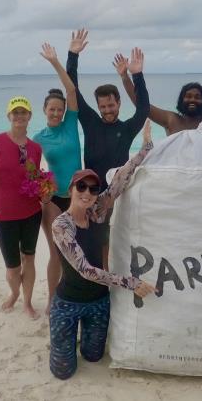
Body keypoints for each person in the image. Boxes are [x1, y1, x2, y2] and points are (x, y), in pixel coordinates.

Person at [49, 121, 156, 380]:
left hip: (97, 302)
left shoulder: (96, 213)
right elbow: (86, 270)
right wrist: (130, 282)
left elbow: (120, 179)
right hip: (68, 303)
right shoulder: (61, 225)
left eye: (93, 188)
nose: (87, 192)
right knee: (63, 372)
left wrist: (146, 148)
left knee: (94, 356)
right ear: (71, 190)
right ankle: (63, 341)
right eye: (81, 187)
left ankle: (77, 340)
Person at [66, 29, 150, 268]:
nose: (107, 110)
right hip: (88, 194)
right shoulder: (91, 122)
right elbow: (73, 90)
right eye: (102, 106)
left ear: (118, 102)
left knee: (113, 244)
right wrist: (73, 56)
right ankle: (98, 282)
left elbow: (143, 109)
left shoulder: (126, 129)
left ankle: (111, 282)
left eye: (110, 105)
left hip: (117, 196)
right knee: (88, 243)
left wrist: (137, 75)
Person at [0, 96, 46, 319]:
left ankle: (27, 302)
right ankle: (15, 292)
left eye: (23, 112)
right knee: (12, 268)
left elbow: (35, 177)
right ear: (9, 116)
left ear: (29, 116)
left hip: (31, 212)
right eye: (15, 112)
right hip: (5, 214)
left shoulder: (35, 148)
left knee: (30, 259)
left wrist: (45, 188)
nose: (19, 116)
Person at [33, 42, 82, 314]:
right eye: (51, 109)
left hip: (77, 198)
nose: (56, 113)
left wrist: (55, 62)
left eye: (59, 109)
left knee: (75, 252)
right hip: (53, 202)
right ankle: (53, 300)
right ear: (44, 110)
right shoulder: (39, 138)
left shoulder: (71, 124)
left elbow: (72, 90)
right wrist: (42, 189)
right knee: (55, 253)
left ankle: (73, 293)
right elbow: (29, 169)